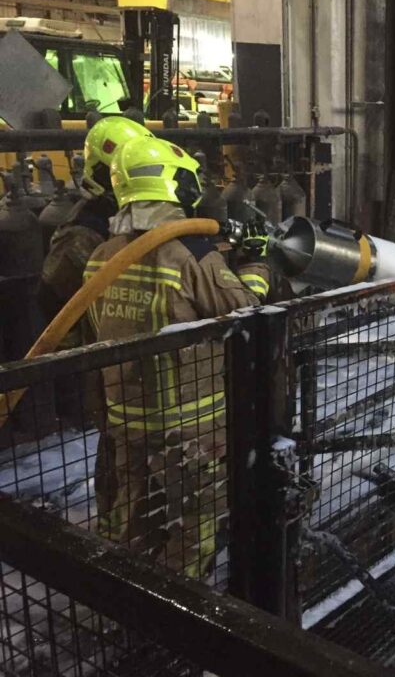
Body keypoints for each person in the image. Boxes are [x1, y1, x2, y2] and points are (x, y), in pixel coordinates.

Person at [85, 135, 271, 578]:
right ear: (172, 186)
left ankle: (121, 598)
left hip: (125, 418)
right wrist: (256, 263)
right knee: (193, 528)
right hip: (187, 430)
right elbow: (246, 310)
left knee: (130, 519)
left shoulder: (102, 256)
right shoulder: (188, 256)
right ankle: (179, 619)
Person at [38, 116, 153, 348]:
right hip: (91, 351)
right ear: (104, 172)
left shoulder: (120, 214)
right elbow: (52, 301)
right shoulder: (82, 232)